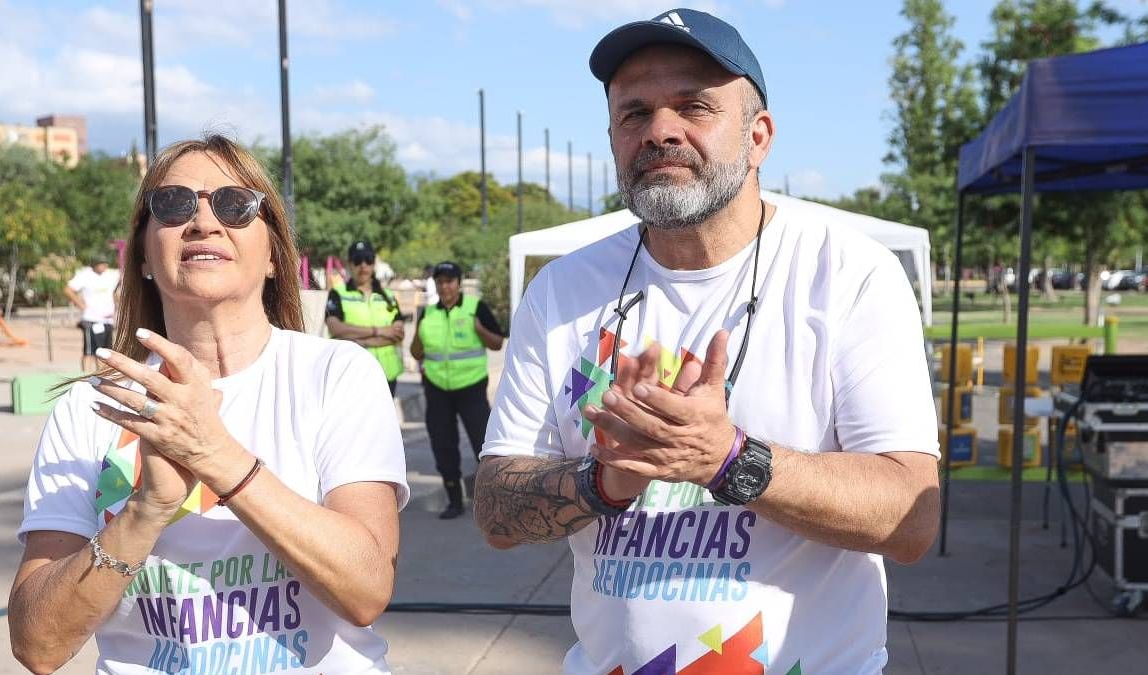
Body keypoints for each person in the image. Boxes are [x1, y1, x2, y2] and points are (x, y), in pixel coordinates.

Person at [474, 9, 940, 674]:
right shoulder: (562, 292)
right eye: (634, 113)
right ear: (613, 138)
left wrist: (728, 459)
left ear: (759, 136)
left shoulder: (848, 275)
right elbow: (495, 509)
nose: (660, 130)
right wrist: (603, 480)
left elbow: (910, 518)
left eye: (693, 105)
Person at [10, 134, 408, 674]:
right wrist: (146, 510)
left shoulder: (335, 375)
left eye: (234, 205)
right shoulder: (89, 409)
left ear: (274, 256)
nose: (203, 222)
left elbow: (366, 590)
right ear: (143, 255)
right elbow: (38, 644)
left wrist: (214, 456)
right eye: (173, 204)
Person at [409, 261, 506, 519]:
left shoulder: (475, 307)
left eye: (449, 281)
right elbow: (416, 352)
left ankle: (495, 501)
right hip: (437, 388)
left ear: (459, 283)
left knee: (483, 443)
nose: (445, 287)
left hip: (471, 388)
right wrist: (418, 333)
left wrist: (479, 329)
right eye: (440, 282)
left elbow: (497, 343)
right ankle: (454, 500)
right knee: (443, 445)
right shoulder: (428, 313)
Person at [326, 240, 405, 396]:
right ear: (349, 264)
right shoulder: (337, 294)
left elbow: (397, 334)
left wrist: (360, 341)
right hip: (352, 375)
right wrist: (380, 331)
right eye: (357, 260)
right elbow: (336, 329)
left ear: (373, 263)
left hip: (386, 375)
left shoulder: (388, 296)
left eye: (368, 260)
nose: (363, 265)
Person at [65, 255, 121, 371]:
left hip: (107, 320)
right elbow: (68, 290)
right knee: (89, 351)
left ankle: (101, 375)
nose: (103, 266)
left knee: (105, 352)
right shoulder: (85, 275)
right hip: (91, 320)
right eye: (100, 264)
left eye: (105, 264)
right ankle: (85, 375)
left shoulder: (111, 275)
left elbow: (120, 284)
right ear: (94, 265)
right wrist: (80, 304)